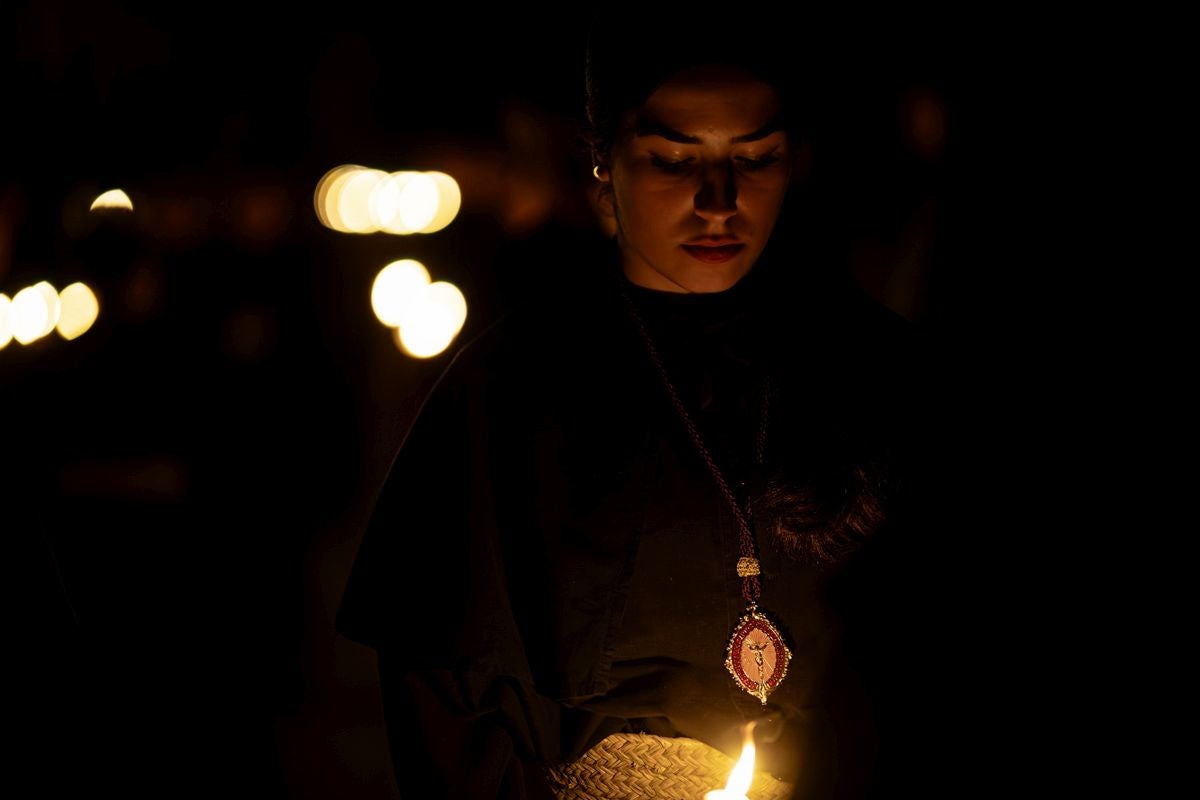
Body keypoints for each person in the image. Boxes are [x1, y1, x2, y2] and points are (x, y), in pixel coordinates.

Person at [337, 16, 952, 800]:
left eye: (754, 158)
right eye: (673, 159)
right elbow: (444, 691)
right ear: (604, 163)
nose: (718, 200)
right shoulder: (517, 386)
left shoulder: (880, 373)